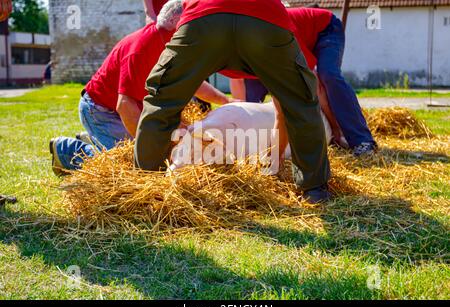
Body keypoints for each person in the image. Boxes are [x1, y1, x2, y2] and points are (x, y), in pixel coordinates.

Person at [134, 0, 331, 204]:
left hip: (204, 16)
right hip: (264, 17)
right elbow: (289, 107)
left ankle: (145, 187)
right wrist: (276, 154)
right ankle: (314, 190)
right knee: (300, 102)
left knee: (162, 99)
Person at [49, 2, 231, 176]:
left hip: (127, 110)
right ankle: (66, 149)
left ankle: (97, 139)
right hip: (101, 111)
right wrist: (146, 148)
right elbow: (124, 106)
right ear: (177, 23)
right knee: (127, 163)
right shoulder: (143, 49)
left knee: (158, 151)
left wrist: (225, 101)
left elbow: (194, 83)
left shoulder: (173, 47)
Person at [231, 7, 377, 157]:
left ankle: (362, 140)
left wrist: (335, 131)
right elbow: (238, 84)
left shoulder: (282, 37)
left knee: (328, 75)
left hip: (326, 29)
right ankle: (248, 148)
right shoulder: (244, 43)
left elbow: (315, 85)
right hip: (296, 37)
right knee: (252, 93)